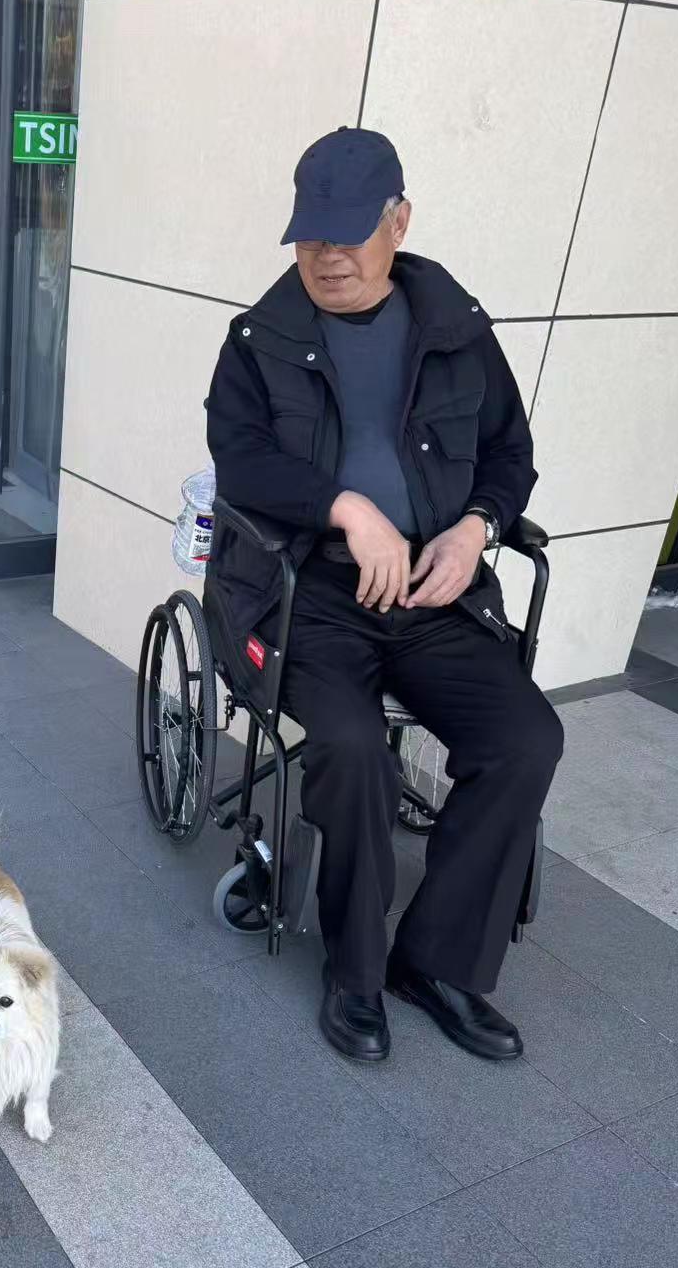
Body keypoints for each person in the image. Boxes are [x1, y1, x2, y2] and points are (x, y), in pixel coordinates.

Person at [205, 126, 563, 1065]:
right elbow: (239, 463)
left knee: (528, 737)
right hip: (305, 597)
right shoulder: (260, 341)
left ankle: (437, 961)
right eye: (309, 234)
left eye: (347, 232)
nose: (325, 254)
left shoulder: (457, 332)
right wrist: (344, 508)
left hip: (432, 596)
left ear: (398, 221)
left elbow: (510, 454)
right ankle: (354, 972)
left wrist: (477, 524)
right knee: (355, 746)